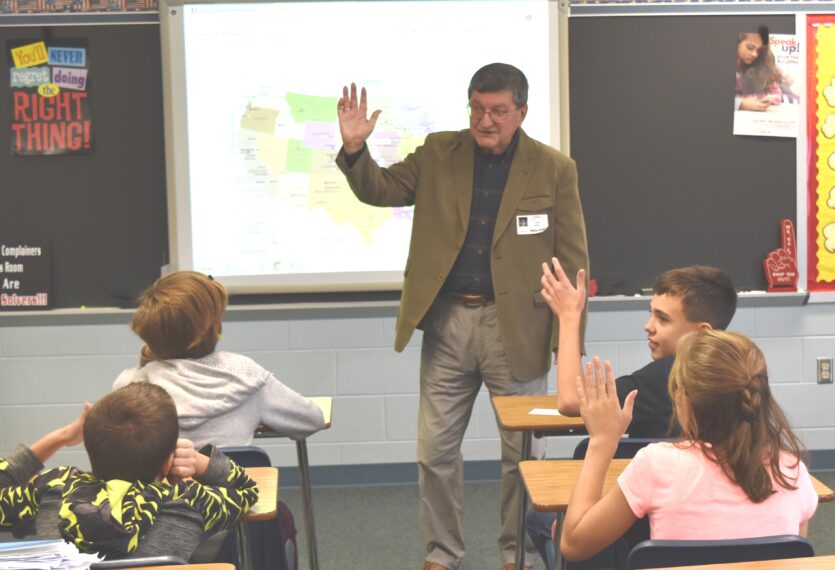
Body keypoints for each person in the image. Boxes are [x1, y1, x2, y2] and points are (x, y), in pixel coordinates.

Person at [335, 63, 589, 570]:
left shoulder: (554, 168)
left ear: (522, 112)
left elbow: (574, 264)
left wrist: (569, 346)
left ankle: (518, 554)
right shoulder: (437, 152)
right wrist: (356, 150)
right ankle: (442, 554)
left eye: (497, 110)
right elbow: (380, 190)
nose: (485, 120)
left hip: (518, 327)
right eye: (477, 108)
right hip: (449, 322)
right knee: (435, 451)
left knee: (523, 457)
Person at [557, 330, 817, 562]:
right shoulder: (792, 471)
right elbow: (794, 559)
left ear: (684, 401)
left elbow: (574, 544)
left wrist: (602, 442)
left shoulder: (656, 465)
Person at [0, 383, 258, 561]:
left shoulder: (54, 489)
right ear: (168, 460)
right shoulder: (190, 502)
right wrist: (200, 463)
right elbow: (247, 490)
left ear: (89, 448)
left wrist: (61, 437)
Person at [113, 271, 325, 448]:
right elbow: (312, 420)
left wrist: (146, 361)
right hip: (230, 496)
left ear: (150, 338)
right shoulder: (245, 375)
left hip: (159, 498)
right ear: (214, 328)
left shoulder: (130, 387)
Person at [548, 262, 737, 437]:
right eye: (651, 314)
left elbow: (571, 401)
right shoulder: (736, 370)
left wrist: (568, 316)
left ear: (701, 332)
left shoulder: (671, 375)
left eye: (663, 319)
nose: (648, 326)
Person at [736, 26, 784, 112]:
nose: (755, 54)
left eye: (759, 51)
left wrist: (768, 100)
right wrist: (742, 103)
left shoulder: (763, 69)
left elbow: (776, 93)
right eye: (750, 47)